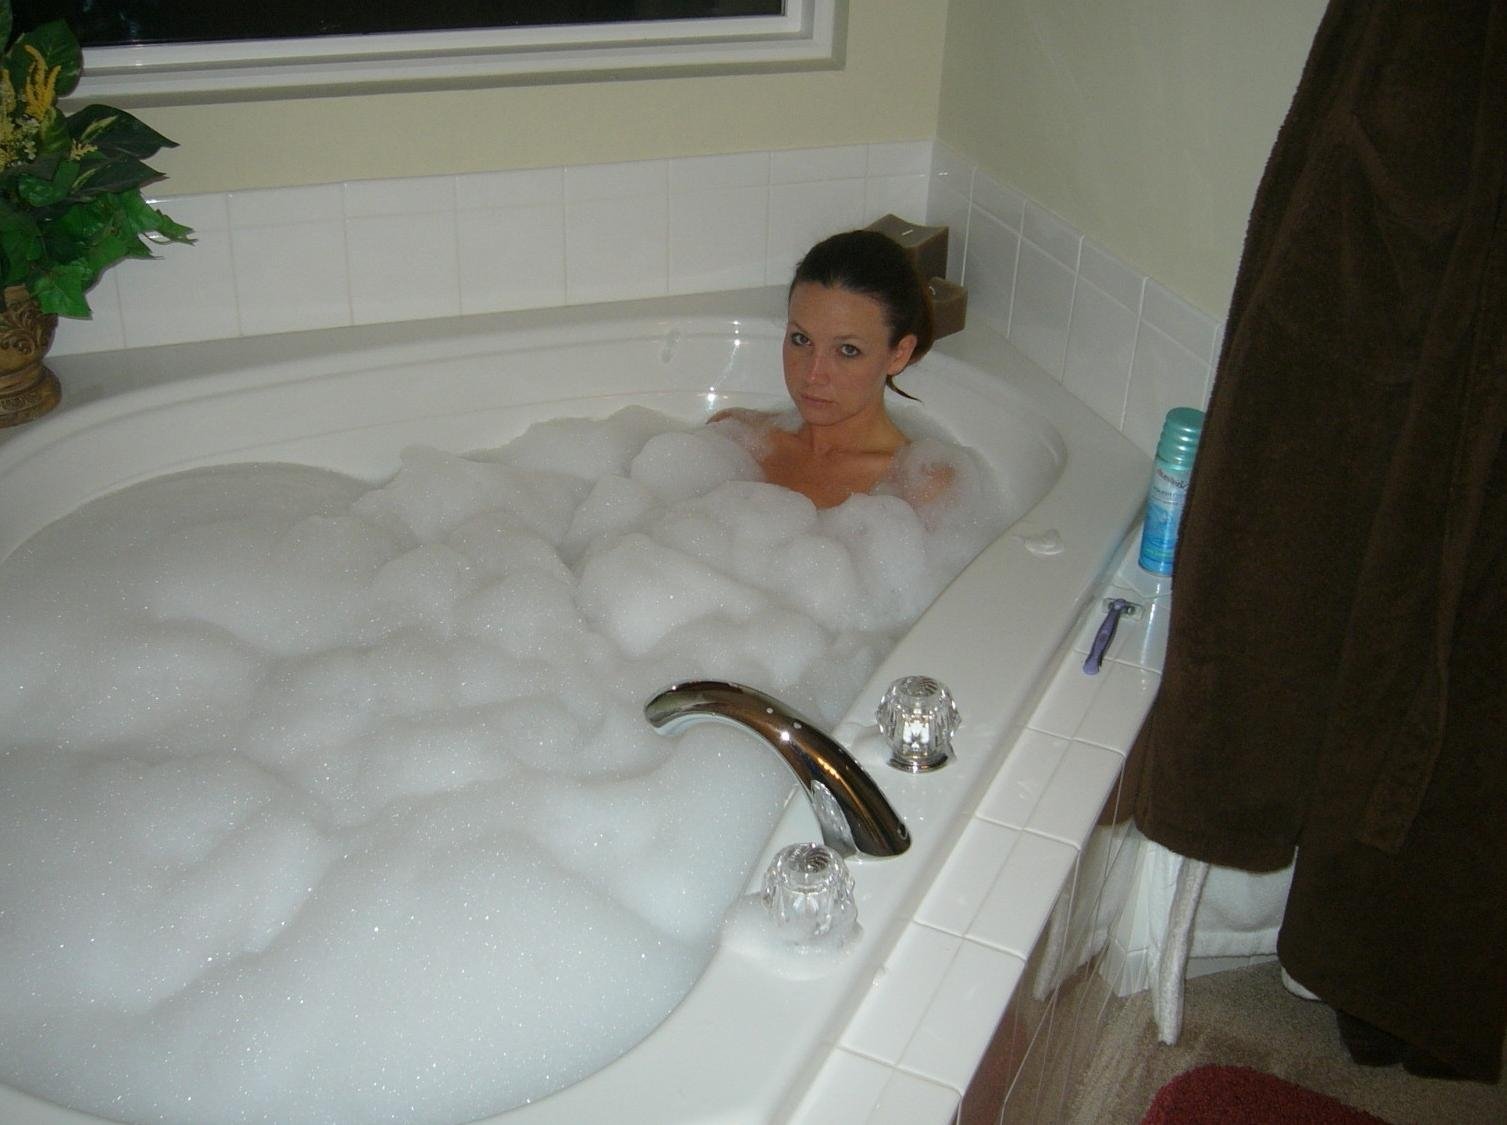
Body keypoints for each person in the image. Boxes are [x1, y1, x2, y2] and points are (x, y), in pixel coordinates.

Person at [714, 229, 948, 510]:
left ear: (899, 355)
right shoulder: (733, 438)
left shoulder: (919, 488)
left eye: (847, 350)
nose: (813, 375)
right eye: (801, 339)